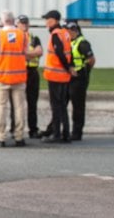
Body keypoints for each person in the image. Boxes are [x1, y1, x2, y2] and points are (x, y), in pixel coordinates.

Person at [0, 11, 28, 147]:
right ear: (13, 21)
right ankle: (19, 136)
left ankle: (1, 137)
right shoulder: (23, 36)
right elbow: (25, 53)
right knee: (19, 108)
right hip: (19, 77)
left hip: (1, 77)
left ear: (2, 21)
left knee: (1, 107)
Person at [41, 10, 76, 144]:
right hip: (63, 76)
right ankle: (65, 134)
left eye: (47, 19)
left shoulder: (56, 35)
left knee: (56, 106)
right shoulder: (65, 33)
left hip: (55, 75)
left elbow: (60, 54)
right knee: (62, 105)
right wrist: (70, 67)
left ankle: (56, 134)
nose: (46, 22)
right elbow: (69, 52)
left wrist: (67, 67)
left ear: (54, 20)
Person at [66, 21, 96, 141]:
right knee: (62, 103)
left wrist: (85, 71)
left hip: (79, 78)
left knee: (78, 107)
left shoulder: (82, 43)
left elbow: (92, 60)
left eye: (70, 30)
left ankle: (77, 132)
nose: (68, 32)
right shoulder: (70, 42)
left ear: (75, 31)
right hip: (69, 78)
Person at [17, 15, 44, 139]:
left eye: (26, 23)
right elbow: (17, 54)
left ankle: (33, 129)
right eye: (22, 23)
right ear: (17, 24)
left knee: (32, 103)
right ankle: (16, 129)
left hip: (32, 72)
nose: (24, 25)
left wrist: (26, 54)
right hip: (19, 71)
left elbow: (40, 52)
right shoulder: (15, 38)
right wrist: (30, 54)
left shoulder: (34, 38)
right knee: (17, 104)